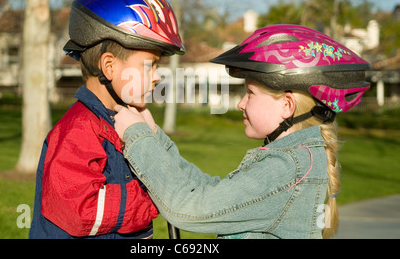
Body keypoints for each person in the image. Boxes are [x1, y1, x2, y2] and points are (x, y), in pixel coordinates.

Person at [114, 24, 370, 239]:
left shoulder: (287, 167)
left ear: (287, 105)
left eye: (250, 93)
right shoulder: (293, 160)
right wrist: (154, 136)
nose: (240, 103)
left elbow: (189, 208)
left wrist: (137, 137)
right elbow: (208, 191)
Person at [29, 0, 184, 239]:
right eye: (150, 66)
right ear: (109, 67)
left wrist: (150, 139)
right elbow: (80, 210)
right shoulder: (79, 129)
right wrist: (154, 193)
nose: (157, 77)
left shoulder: (120, 122)